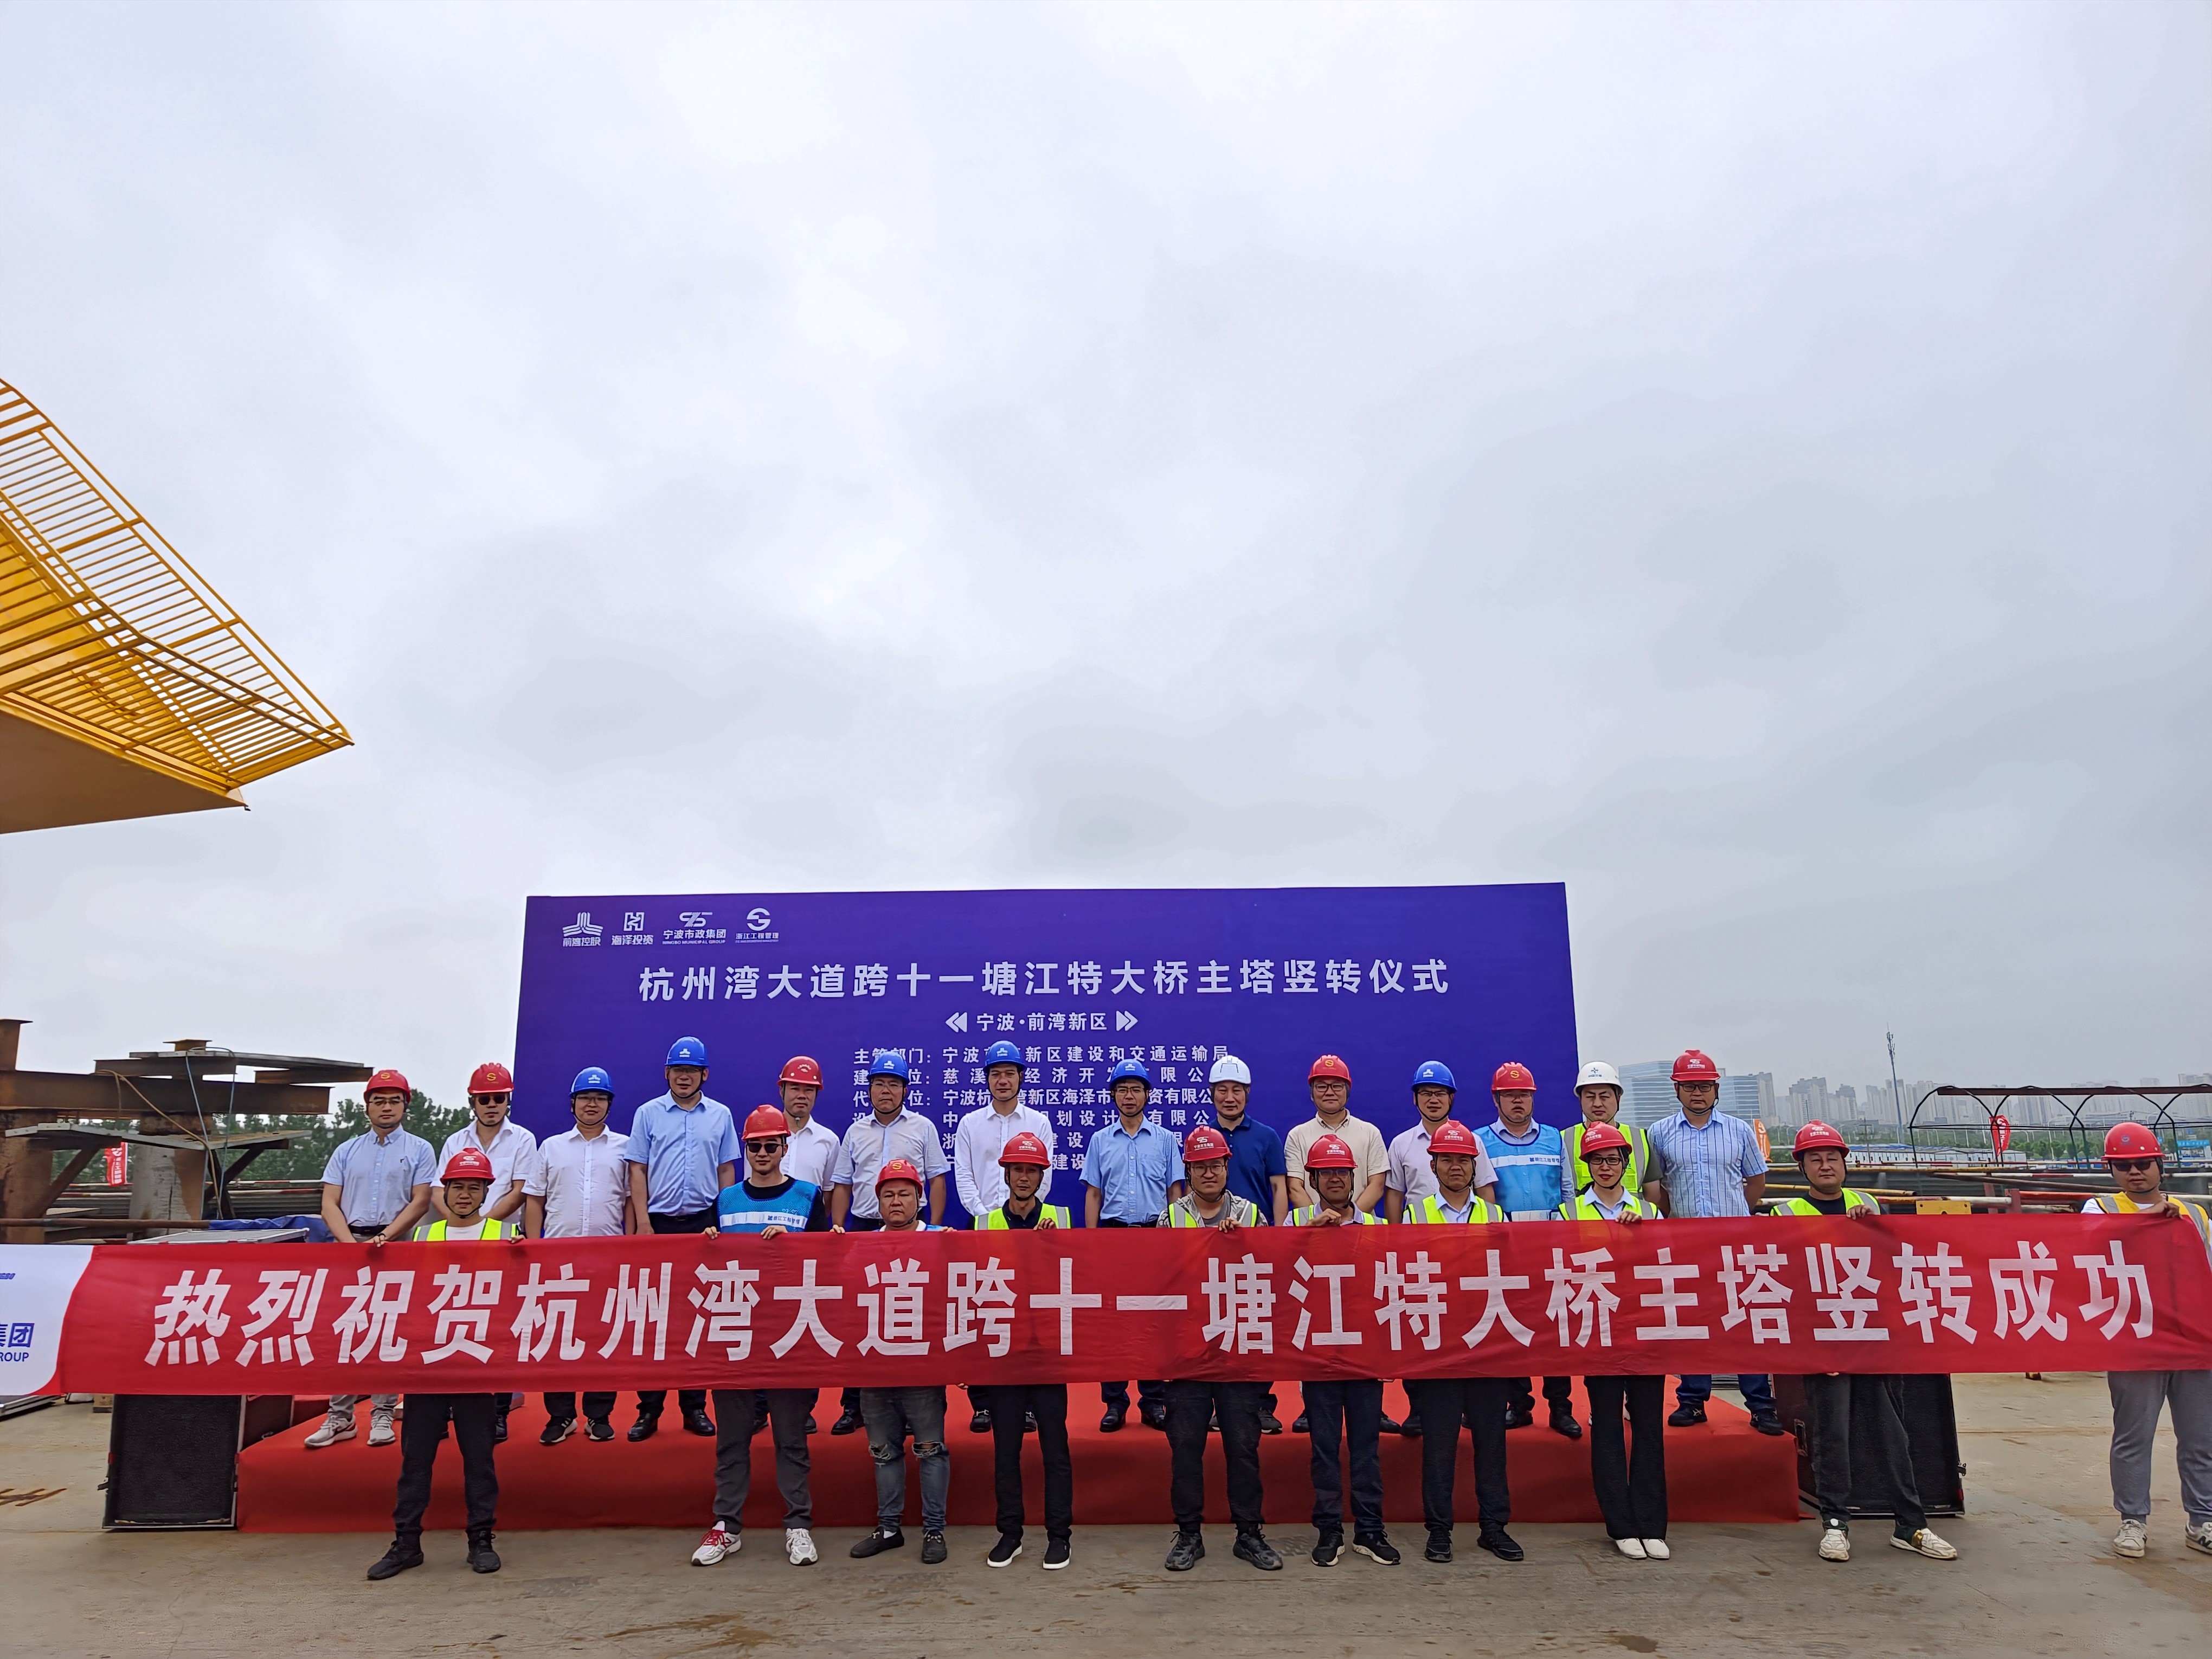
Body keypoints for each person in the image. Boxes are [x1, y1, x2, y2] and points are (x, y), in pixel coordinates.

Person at [1773, 1120, 1957, 1563]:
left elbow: (1896, 1262)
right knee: (1832, 1436)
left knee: (1892, 1433)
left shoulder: (1869, 1204)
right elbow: (1784, 1279)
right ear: (1802, 1168)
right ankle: (1836, 1524)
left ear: (1844, 1164)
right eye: (1815, 1159)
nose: (1825, 1166)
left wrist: (1875, 1228)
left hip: (1873, 1337)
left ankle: (1910, 1524)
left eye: (1832, 1158)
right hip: (1825, 1341)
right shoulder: (1785, 1214)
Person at [689, 1105, 832, 1571]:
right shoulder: (725, 1200)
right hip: (735, 1335)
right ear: (745, 1149)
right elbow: (703, 1267)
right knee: (732, 1439)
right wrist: (707, 1241)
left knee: (791, 1438)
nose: (764, 1153)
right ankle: (726, 1526)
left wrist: (798, 1245)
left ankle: (798, 1525)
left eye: (772, 1145)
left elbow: (827, 1265)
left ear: (785, 1148)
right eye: (756, 1146)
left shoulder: (808, 1197)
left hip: (788, 1334)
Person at [365, 1148, 515, 1580]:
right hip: (429, 1365)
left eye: (474, 1187)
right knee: (415, 1460)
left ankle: (481, 1539)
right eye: (457, 1187)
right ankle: (406, 1543)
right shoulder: (422, 1236)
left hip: (477, 1366)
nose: (465, 1195)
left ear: (486, 1193)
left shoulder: (507, 1234)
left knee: (479, 1460)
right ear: (444, 1191)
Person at [2085, 1121, 2212, 1560]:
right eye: (2123, 1166)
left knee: (2200, 1437)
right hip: (2134, 1340)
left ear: (2161, 1164)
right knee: (2133, 1436)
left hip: (2192, 1340)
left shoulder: (2194, 1214)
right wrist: (2148, 1222)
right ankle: (2133, 1521)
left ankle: (2202, 1520)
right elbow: (2086, 1250)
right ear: (2112, 1171)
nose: (2134, 1172)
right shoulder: (2099, 1208)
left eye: (2142, 1163)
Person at [1161, 1123, 1281, 1576]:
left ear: (1228, 1167)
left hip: (1237, 1349)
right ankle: (1188, 1535)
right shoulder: (1170, 1219)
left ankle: (1249, 1533)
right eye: (1199, 1167)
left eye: (1215, 1165)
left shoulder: (1251, 1214)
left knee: (1244, 1446)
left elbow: (1270, 1274)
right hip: (1188, 1351)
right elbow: (1160, 1281)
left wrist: (1241, 1246)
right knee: (1186, 1447)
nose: (1208, 1173)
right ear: (1188, 1171)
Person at [1397, 1118, 1518, 1565]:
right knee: (1439, 1444)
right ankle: (1439, 1530)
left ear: (1474, 1166)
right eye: (1446, 1159)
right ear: (1433, 1165)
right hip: (1440, 1349)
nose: (1455, 1167)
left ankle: (1494, 1527)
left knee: (1491, 1442)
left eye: (1463, 1160)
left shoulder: (1496, 1216)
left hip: (1487, 1344)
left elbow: (1512, 1275)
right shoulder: (1415, 1215)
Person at [1647, 1049, 1783, 1435]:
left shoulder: (1739, 1131)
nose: (1698, 1093)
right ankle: (1692, 1401)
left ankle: (1760, 1405)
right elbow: (1657, 1189)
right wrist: (1679, 1218)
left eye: (1705, 1086)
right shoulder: (1660, 1133)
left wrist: (1737, 1216)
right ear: (1677, 1090)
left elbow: (1756, 1181)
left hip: (1736, 1244)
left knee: (1745, 1321)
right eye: (1689, 1086)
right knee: (1693, 1321)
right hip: (1686, 1244)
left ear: (1716, 1089)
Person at [1556, 1121, 1668, 1560]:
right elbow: (1561, 1268)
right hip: (1598, 1330)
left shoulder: (1650, 1212)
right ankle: (1620, 1524)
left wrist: (1642, 1235)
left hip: (1644, 1332)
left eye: (1613, 1160)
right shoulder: (1568, 1214)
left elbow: (1666, 1265)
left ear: (1626, 1164)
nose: (1606, 1167)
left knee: (1648, 1427)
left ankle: (1652, 1524)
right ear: (1586, 1166)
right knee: (1606, 1427)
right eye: (1597, 1160)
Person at [1287, 1135, 1399, 1566]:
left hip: (1364, 1355)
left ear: (1354, 1178)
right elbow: (1277, 1276)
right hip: (1318, 1355)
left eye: (1342, 1172)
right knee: (1324, 1447)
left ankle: (1370, 1530)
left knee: (1367, 1447)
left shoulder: (1376, 1228)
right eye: (1326, 1173)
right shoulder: (1296, 1222)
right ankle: (1329, 1530)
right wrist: (1307, 1238)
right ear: (1313, 1180)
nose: (1335, 1179)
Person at [308, 1068, 434, 1450]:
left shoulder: (420, 1149)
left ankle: (383, 1412)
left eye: (395, 1101)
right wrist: (349, 1244)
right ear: (367, 1107)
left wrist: (387, 1236)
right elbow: (329, 1203)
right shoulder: (346, 1151)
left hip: (397, 1245)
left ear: (405, 1107)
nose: (387, 1107)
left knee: (389, 1329)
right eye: (379, 1101)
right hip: (351, 1244)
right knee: (347, 1330)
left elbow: (421, 1201)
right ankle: (340, 1417)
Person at [827, 1050, 950, 1435]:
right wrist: (838, 1228)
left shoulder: (923, 1128)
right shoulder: (855, 1132)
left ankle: (916, 1404)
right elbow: (842, 1184)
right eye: (879, 1083)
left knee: (911, 1313)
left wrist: (932, 1230)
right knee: (861, 1317)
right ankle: (854, 1405)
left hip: (913, 1233)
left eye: (893, 1084)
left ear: (905, 1090)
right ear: (869, 1090)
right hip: (866, 1229)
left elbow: (937, 1180)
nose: (886, 1091)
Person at [622, 1035, 739, 1442]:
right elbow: (637, 1170)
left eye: (691, 1071)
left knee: (698, 1317)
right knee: (653, 1318)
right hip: (657, 1224)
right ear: (667, 1073)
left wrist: (724, 1223)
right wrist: (643, 1223)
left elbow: (727, 1171)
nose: (684, 1077)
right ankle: (649, 1409)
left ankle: (694, 1407)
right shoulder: (648, 1114)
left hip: (705, 1224)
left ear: (705, 1074)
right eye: (677, 1070)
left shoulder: (721, 1115)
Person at [972, 1131, 1073, 1569]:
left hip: (1048, 1351)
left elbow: (1078, 1275)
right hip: (1004, 1352)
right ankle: (1010, 1534)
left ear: (1042, 1175)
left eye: (1032, 1170)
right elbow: (972, 1288)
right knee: (1006, 1450)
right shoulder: (984, 1225)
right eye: (1018, 1170)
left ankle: (1059, 1536)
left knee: (1056, 1449)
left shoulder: (1061, 1220)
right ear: (1007, 1174)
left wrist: (1056, 1245)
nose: (1025, 1177)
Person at [1283, 1055, 1393, 1433]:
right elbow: (1296, 1186)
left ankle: (1373, 1406)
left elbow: (1376, 1184)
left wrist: (1349, 1221)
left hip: (1360, 1242)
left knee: (1364, 1320)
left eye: (1336, 1085)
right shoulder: (1298, 1135)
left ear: (1348, 1089)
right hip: (1315, 1244)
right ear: (1311, 1091)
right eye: (1321, 1085)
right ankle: (1310, 1407)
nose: (1329, 1091)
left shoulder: (1369, 1133)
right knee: (1314, 1324)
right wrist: (1321, 1220)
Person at [850, 1160, 951, 1565]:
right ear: (877, 1202)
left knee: (931, 1450)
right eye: (888, 1195)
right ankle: (889, 1528)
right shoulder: (860, 1245)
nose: (896, 1201)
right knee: (883, 1452)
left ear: (919, 1199)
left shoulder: (942, 1240)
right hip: (875, 1366)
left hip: (923, 1368)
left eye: (905, 1194)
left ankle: (934, 1530)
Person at [524, 1065, 631, 1445]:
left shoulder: (625, 1147)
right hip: (558, 1260)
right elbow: (534, 1201)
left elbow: (631, 1201)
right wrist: (535, 1248)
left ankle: (599, 1415)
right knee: (559, 1338)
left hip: (607, 1258)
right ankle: (561, 1415)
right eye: (585, 1097)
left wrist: (631, 1246)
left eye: (600, 1098)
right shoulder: (551, 1147)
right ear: (572, 1104)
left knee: (604, 1337)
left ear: (609, 1105)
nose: (592, 1104)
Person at [953, 1039, 1057, 1431]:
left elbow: (1043, 1175)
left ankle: (1027, 1403)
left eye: (1009, 1074)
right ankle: (982, 1404)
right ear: (987, 1079)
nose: (1002, 1080)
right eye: (995, 1074)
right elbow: (964, 1175)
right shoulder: (970, 1124)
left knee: (1025, 1314)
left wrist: (1022, 1218)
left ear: (1020, 1078)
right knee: (983, 1312)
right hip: (983, 1229)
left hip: (1030, 1228)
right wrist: (988, 1218)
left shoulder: (1039, 1123)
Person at [1474, 1062, 1578, 1439]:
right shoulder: (1480, 1140)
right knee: (1512, 1328)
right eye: (1510, 1095)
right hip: (1506, 1251)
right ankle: (1519, 1406)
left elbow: (1567, 1192)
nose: (1517, 1101)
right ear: (1496, 1099)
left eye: (1524, 1095)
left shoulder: (1554, 1138)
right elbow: (1480, 1197)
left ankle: (1561, 1408)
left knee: (1555, 1330)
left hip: (1550, 1250)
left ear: (1533, 1098)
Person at [1084, 1056, 1184, 1432]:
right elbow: (1094, 1194)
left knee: (1152, 1321)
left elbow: (1175, 1193)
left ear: (1147, 1095)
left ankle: (1153, 1400)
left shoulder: (1166, 1140)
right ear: (1113, 1096)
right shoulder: (1100, 1140)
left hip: (1155, 1236)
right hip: (1113, 1237)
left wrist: (1175, 1240)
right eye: (1122, 1090)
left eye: (1136, 1089)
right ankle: (1115, 1401)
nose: (1129, 1096)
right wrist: (1092, 1243)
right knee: (1113, 1322)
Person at [1206, 1054, 1288, 1435]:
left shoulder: (1266, 1136)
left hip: (1256, 1243)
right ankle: (1219, 1407)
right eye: (1222, 1090)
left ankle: (1261, 1405)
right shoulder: (1202, 1136)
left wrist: (1278, 1234)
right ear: (1212, 1094)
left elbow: (1278, 1187)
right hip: (1211, 1245)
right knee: (1218, 1325)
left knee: (1257, 1325)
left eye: (1236, 1090)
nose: (1229, 1097)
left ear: (1248, 1093)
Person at [1384, 1062, 1498, 1224]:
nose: (1433, 1100)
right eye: (1426, 1093)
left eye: (1440, 1093)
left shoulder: (1472, 1141)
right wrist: (1396, 1234)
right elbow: (1395, 1194)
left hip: (1468, 1229)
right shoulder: (1401, 1143)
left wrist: (1491, 1230)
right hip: (1418, 1230)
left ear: (1451, 1098)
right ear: (1415, 1098)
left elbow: (1484, 1188)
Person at [434, 1062, 536, 1225]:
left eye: (499, 1098)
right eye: (484, 1099)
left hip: (504, 1232)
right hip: (457, 1231)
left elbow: (520, 1191)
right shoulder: (455, 1141)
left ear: (508, 1101)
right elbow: (438, 1191)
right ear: (472, 1103)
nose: (492, 1104)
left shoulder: (524, 1139)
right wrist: (459, 1225)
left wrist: (482, 1226)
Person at [1564, 1062, 1655, 1200]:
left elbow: (1654, 1196)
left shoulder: (1641, 1139)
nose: (1597, 1104)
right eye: (1590, 1097)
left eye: (1605, 1096)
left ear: (1618, 1098)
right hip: (1583, 1215)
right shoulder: (1564, 1140)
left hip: (1632, 1214)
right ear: (1580, 1099)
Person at [775, 1056, 842, 1189]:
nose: (802, 1096)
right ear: (782, 1091)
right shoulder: (763, 1135)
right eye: (795, 1088)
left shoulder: (829, 1141)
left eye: (809, 1090)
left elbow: (828, 1191)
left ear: (816, 1094)